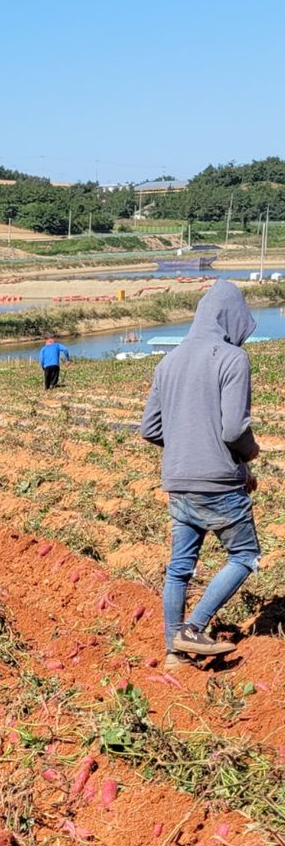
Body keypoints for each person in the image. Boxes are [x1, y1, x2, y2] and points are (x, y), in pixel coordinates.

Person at [141, 281, 260, 666]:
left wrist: (186, 449)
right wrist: (250, 455)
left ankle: (174, 651)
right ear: (233, 318)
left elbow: (150, 429)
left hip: (178, 481)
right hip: (219, 483)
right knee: (244, 555)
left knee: (180, 566)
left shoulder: (168, 362)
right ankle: (193, 628)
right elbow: (233, 430)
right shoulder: (231, 359)